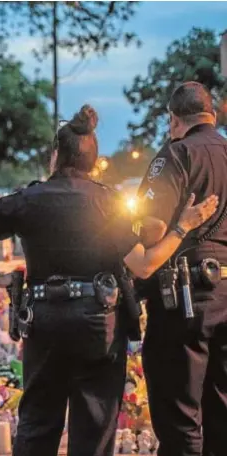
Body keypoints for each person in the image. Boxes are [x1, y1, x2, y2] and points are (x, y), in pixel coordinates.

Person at [0, 104, 218, 456]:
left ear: (55, 157)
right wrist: (183, 226)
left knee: (36, 424)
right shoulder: (110, 203)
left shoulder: (28, 199)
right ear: (95, 163)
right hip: (99, 324)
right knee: (94, 429)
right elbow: (143, 266)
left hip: (42, 321)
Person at [137, 81, 227, 456]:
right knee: (221, 408)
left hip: (186, 299)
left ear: (174, 119)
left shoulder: (175, 155)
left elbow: (149, 227)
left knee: (180, 414)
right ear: (213, 114)